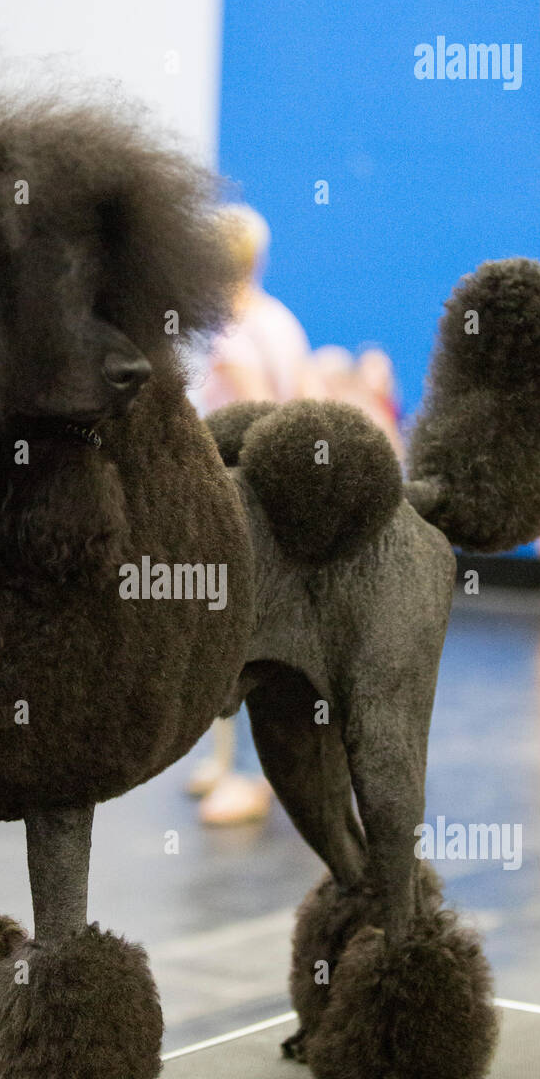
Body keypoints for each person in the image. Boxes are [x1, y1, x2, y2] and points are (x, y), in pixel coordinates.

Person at [189, 206, 312, 825]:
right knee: (232, 630)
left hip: (251, 497)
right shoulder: (275, 320)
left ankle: (248, 774)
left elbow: (260, 412)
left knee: (242, 636)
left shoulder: (236, 337)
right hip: (270, 493)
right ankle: (226, 758)